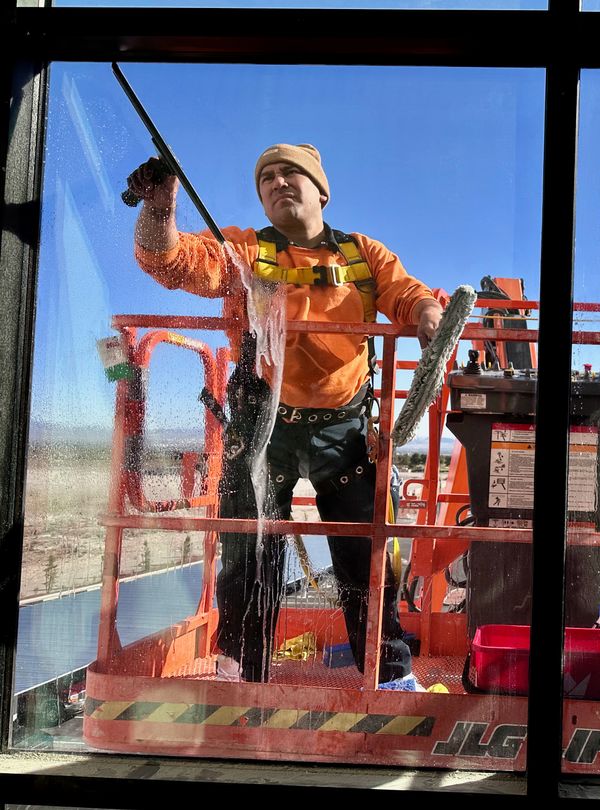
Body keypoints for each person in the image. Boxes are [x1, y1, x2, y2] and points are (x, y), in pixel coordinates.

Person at [127, 143, 443, 684]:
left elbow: (407, 294)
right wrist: (159, 209)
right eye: (266, 177)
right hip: (259, 425)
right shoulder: (245, 252)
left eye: (290, 173)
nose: (277, 182)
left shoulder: (362, 256)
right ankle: (241, 666)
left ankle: (389, 673)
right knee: (248, 550)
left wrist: (430, 314)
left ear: (321, 189)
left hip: (341, 430)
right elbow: (173, 261)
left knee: (364, 556)